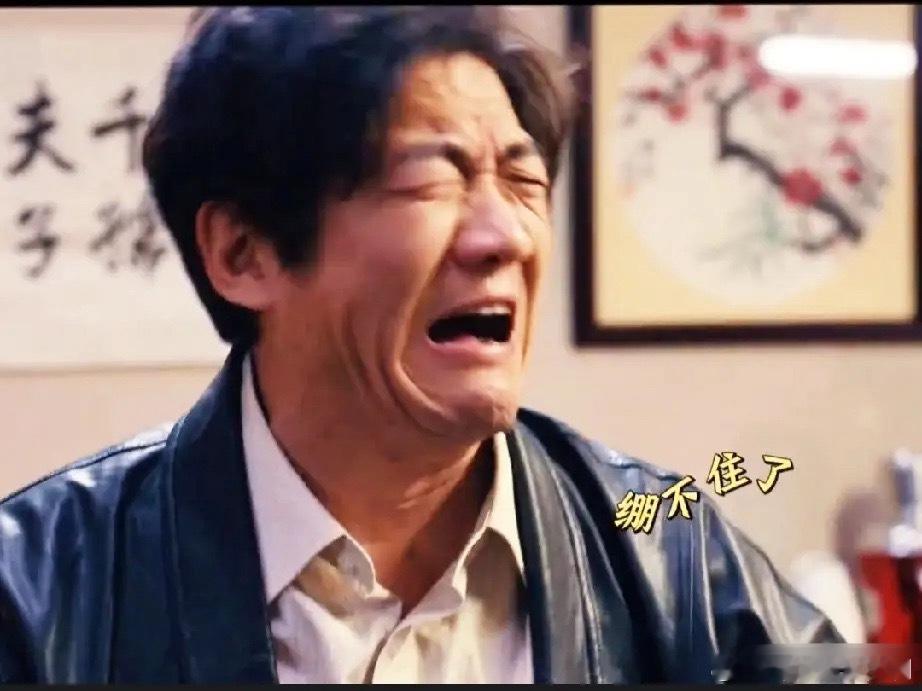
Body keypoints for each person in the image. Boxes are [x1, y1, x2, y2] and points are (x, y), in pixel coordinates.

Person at [0, 6, 850, 684]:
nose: (502, 236)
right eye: (429, 180)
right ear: (243, 252)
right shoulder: (37, 597)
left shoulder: (679, 563)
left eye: (522, 179)